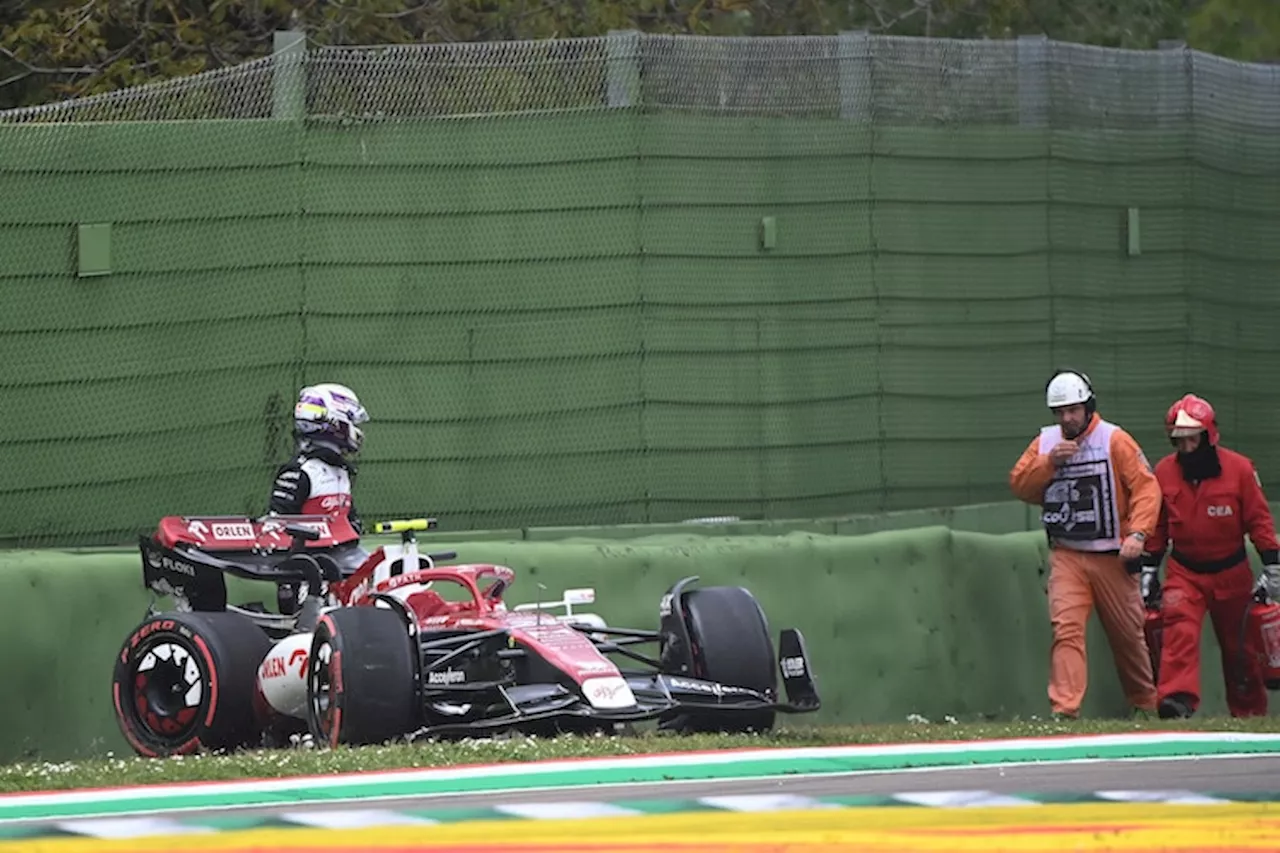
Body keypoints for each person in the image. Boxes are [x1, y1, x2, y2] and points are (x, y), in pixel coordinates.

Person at [1009, 368, 1161, 720]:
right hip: (1068, 554)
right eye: (1060, 412)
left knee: (1127, 636)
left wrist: (1138, 533)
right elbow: (1020, 485)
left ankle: (1144, 702)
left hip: (1112, 555)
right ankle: (1065, 709)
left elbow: (1145, 487)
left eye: (1073, 410)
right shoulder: (1045, 444)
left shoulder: (1114, 440)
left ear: (1088, 407)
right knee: (1066, 629)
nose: (1067, 418)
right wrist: (1049, 464)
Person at [1140, 393, 1280, 719]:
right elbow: (1158, 526)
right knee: (1179, 633)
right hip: (1185, 570)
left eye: (1193, 439)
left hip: (1232, 572)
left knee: (1240, 647)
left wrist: (1272, 565)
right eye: (1180, 441)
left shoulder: (1240, 471)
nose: (1187, 447)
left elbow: (1259, 521)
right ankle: (1177, 701)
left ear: (1208, 436)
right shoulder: (1164, 472)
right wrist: (1149, 570)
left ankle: (1249, 712)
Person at [268, 382, 369, 535]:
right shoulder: (301, 473)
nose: (358, 430)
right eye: (354, 423)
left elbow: (350, 525)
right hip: (307, 556)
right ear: (336, 421)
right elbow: (276, 530)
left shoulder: (341, 471)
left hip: (340, 554)